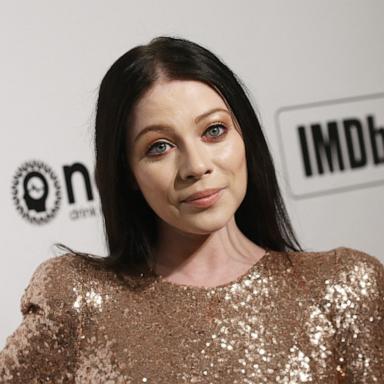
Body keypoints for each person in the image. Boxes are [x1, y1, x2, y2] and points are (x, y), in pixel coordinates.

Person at [1, 36, 383, 383]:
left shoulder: (345, 288)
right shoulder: (78, 302)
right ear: (129, 173)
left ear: (244, 135)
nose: (196, 166)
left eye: (214, 131)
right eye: (159, 146)